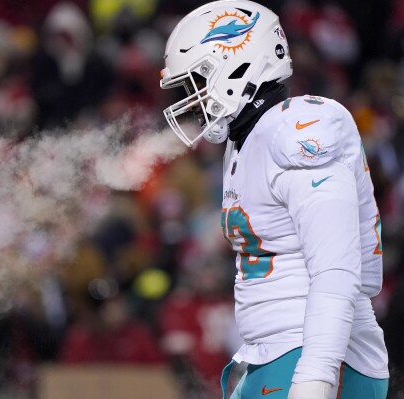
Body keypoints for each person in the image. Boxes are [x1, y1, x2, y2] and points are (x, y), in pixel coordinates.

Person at [159, 1, 389, 399]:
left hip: (316, 353)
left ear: (234, 67)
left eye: (197, 82)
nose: (192, 99)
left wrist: (314, 378)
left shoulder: (297, 129)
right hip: (274, 352)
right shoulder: (248, 140)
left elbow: (336, 271)